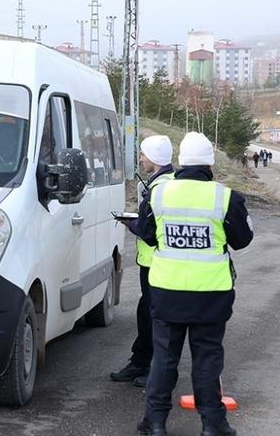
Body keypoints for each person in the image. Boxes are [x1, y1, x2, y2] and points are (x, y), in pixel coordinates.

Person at [134, 132, 254, 436]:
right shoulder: (225, 197)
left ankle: (156, 423)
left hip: (166, 292)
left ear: (181, 162)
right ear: (210, 163)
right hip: (210, 295)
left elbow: (147, 234)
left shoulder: (158, 194)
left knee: (164, 359)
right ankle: (212, 424)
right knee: (207, 359)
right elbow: (242, 240)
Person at [110, 135, 175, 388]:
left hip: (158, 262)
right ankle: (141, 362)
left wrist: (131, 223)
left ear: (155, 158)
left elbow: (150, 230)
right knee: (145, 313)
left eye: (144, 154)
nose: (140, 158)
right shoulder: (166, 182)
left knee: (155, 317)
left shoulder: (161, 187)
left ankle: (154, 370)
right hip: (154, 261)